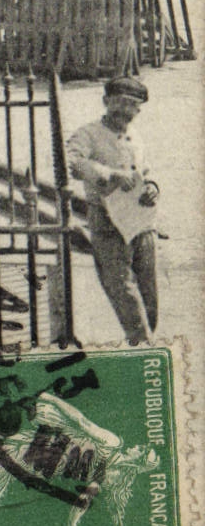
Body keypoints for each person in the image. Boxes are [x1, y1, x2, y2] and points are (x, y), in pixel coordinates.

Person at [65, 77, 159, 345]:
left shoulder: (136, 136)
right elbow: (73, 161)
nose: (126, 111)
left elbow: (146, 170)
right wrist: (110, 174)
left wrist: (153, 187)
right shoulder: (88, 134)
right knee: (121, 287)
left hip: (141, 220)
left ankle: (148, 340)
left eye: (133, 106)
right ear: (106, 101)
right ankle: (141, 343)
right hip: (107, 221)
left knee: (149, 290)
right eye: (120, 103)